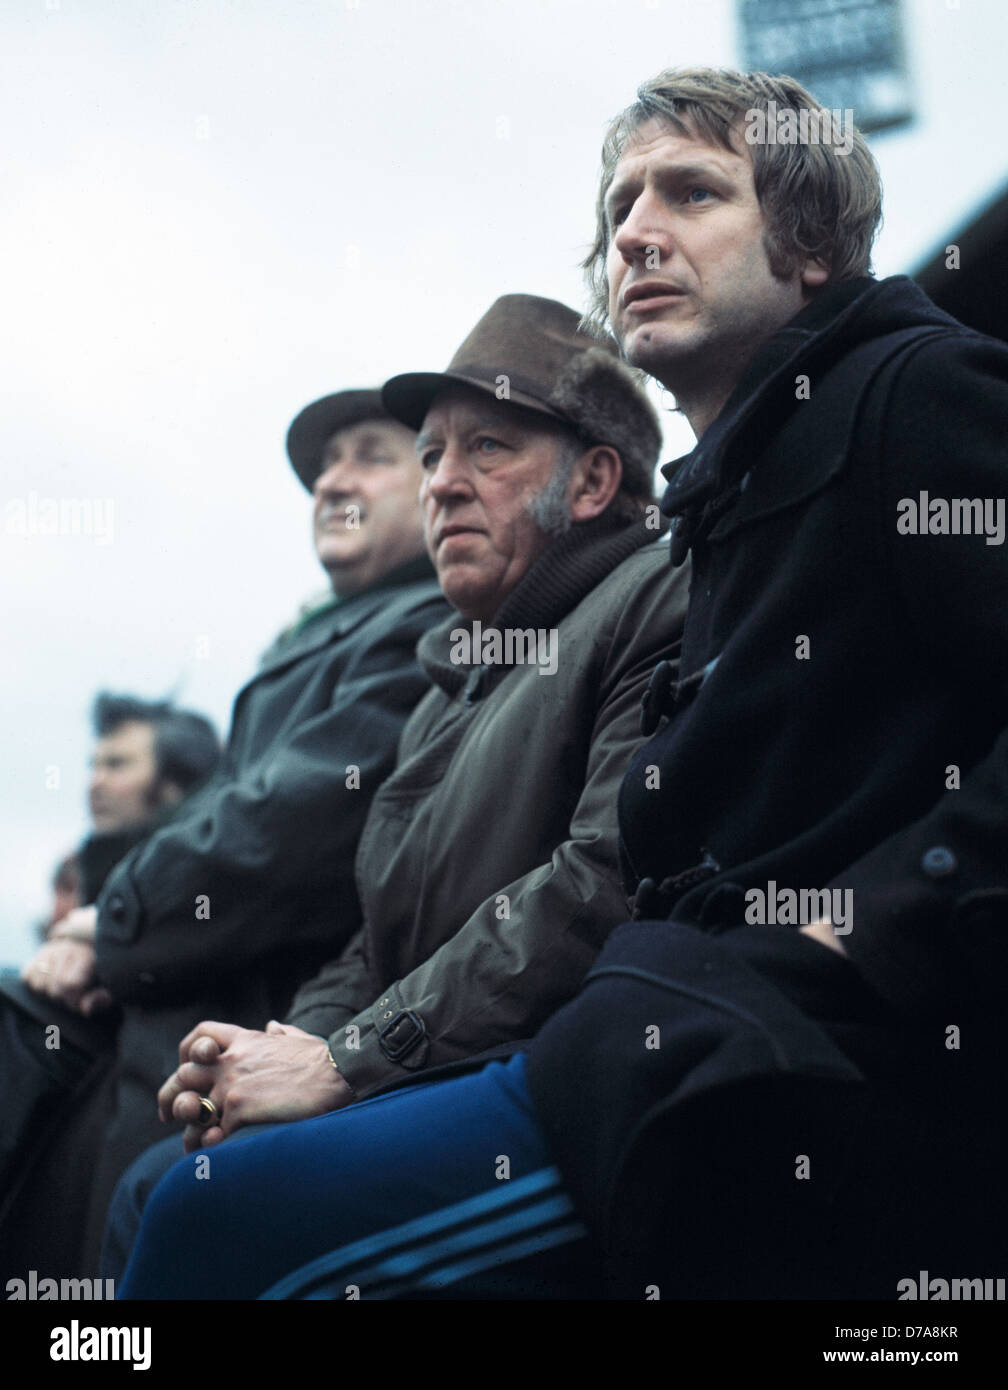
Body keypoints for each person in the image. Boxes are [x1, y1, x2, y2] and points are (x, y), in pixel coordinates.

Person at [116, 67, 1008, 1302]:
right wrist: (311, 1043)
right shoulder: (726, 506)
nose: (637, 229)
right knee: (167, 1194)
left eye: (693, 192)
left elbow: (596, 883)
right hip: (654, 1039)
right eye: (622, 205)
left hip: (777, 1068)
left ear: (809, 243)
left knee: (210, 1227)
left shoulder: (910, 392)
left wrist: (877, 920)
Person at [104, 292, 691, 1286]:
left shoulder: (656, 596)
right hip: (423, 1064)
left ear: (595, 479)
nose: (445, 485)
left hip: (554, 1084)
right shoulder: (451, 685)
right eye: (430, 457)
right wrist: (269, 1052)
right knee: (152, 1180)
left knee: (205, 1208)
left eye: (488, 450)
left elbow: (598, 882)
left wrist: (343, 1063)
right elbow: (373, 940)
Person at [0, 388, 447, 1281]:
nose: (332, 481)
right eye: (323, 466)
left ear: (433, 488)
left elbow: (284, 830)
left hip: (248, 1019)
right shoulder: (320, 637)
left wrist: (108, 924)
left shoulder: (425, 628)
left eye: (370, 454)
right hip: (172, 1003)